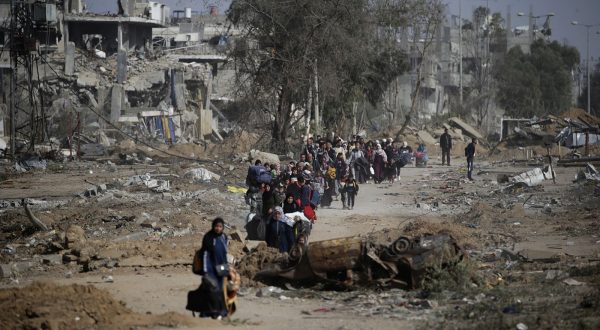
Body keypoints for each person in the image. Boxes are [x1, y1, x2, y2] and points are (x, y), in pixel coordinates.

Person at [196, 218, 229, 319]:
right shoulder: (208, 237)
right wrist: (205, 271)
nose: (218, 229)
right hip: (210, 270)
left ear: (223, 227)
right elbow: (205, 255)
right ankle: (206, 313)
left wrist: (226, 268)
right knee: (210, 291)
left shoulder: (224, 237)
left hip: (221, 269)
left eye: (220, 227)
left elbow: (225, 254)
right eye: (216, 226)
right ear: (213, 226)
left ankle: (219, 312)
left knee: (221, 291)